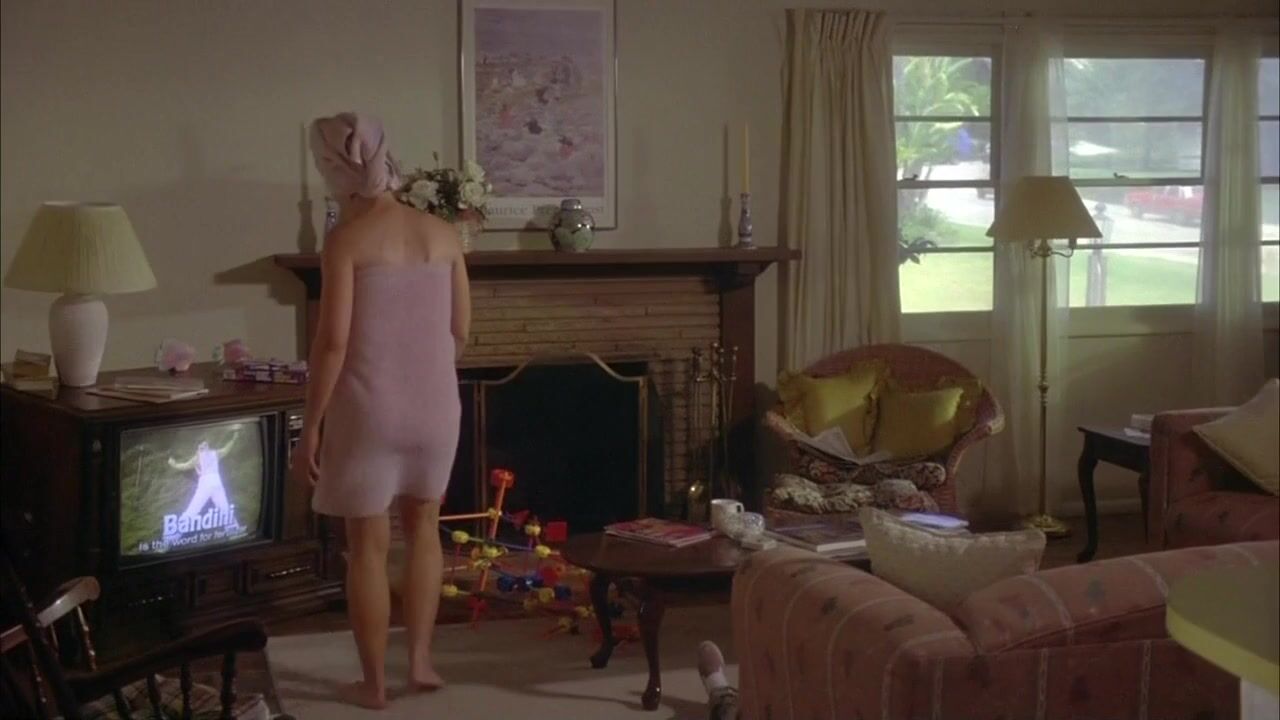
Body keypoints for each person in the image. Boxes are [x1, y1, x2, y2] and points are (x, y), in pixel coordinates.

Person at [293, 112, 470, 710]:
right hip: (438, 408)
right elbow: (461, 330)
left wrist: (311, 427)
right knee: (424, 532)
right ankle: (419, 661)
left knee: (367, 545)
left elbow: (333, 344)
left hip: (370, 411)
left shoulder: (346, 242)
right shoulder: (443, 235)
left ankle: (373, 685)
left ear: (333, 169)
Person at [169, 436, 238, 523]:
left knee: (195, 508)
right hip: (215, 482)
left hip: (208, 483)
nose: (204, 447)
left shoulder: (203, 456)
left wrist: (174, 465)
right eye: (202, 446)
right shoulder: (213, 454)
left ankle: (177, 530)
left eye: (204, 445)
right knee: (224, 508)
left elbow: (184, 466)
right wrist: (233, 439)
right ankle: (233, 528)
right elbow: (226, 449)